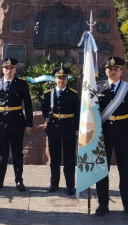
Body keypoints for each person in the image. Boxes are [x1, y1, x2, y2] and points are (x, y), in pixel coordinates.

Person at [95, 56, 128, 218]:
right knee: (102, 172)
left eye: (116, 69)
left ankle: (127, 205)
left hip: (123, 134)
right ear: (106, 71)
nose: (112, 71)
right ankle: (103, 204)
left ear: (121, 71)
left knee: (125, 171)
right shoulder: (98, 88)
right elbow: (91, 113)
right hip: (104, 135)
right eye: (109, 69)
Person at [0, 57, 33, 192]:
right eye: (6, 68)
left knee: (17, 152)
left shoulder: (21, 84)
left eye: (11, 68)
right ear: (2, 69)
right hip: (0, 121)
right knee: (2, 152)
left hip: (17, 120)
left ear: (15, 69)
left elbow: (28, 105)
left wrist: (29, 122)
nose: (9, 71)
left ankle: (19, 180)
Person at [41, 66, 79, 195]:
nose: (61, 80)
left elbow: (78, 112)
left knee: (69, 159)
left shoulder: (73, 94)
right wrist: (47, 118)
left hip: (69, 128)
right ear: (55, 79)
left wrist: (77, 129)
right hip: (54, 128)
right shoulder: (49, 93)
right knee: (55, 158)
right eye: (59, 78)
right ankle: (54, 183)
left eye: (63, 78)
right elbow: (44, 108)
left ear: (67, 79)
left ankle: (70, 186)